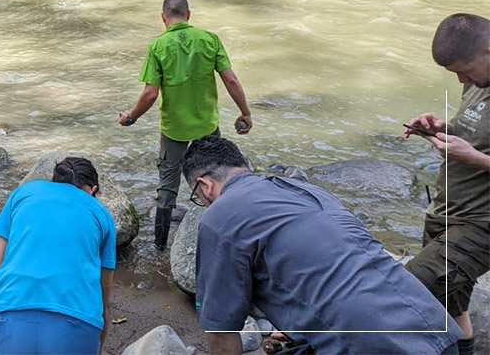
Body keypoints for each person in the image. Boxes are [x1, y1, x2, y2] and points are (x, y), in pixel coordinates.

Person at [185, 135, 462, 355]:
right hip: (434, 326)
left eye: (197, 197)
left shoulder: (219, 217)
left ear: (204, 185)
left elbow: (221, 330)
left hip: (374, 345)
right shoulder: (303, 191)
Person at [118, 0, 252, 249]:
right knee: (217, 179)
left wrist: (131, 117)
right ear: (188, 15)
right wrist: (245, 112)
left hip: (174, 129)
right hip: (207, 126)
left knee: (167, 188)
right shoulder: (209, 39)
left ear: (163, 18)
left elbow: (150, 93)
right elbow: (231, 80)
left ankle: (159, 245)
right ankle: (223, 235)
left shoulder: (157, 47)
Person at [404, 13, 490, 355]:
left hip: (481, 224)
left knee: (406, 287)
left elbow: (477, 152)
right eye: (454, 73)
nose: (460, 80)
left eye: (464, 71)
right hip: (446, 210)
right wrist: (440, 130)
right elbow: (474, 135)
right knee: (450, 307)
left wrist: (475, 158)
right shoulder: (478, 80)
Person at [0, 157, 116, 355]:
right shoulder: (102, 214)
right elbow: (103, 300)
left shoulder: (22, 193)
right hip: (77, 321)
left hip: (7, 313)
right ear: (93, 190)